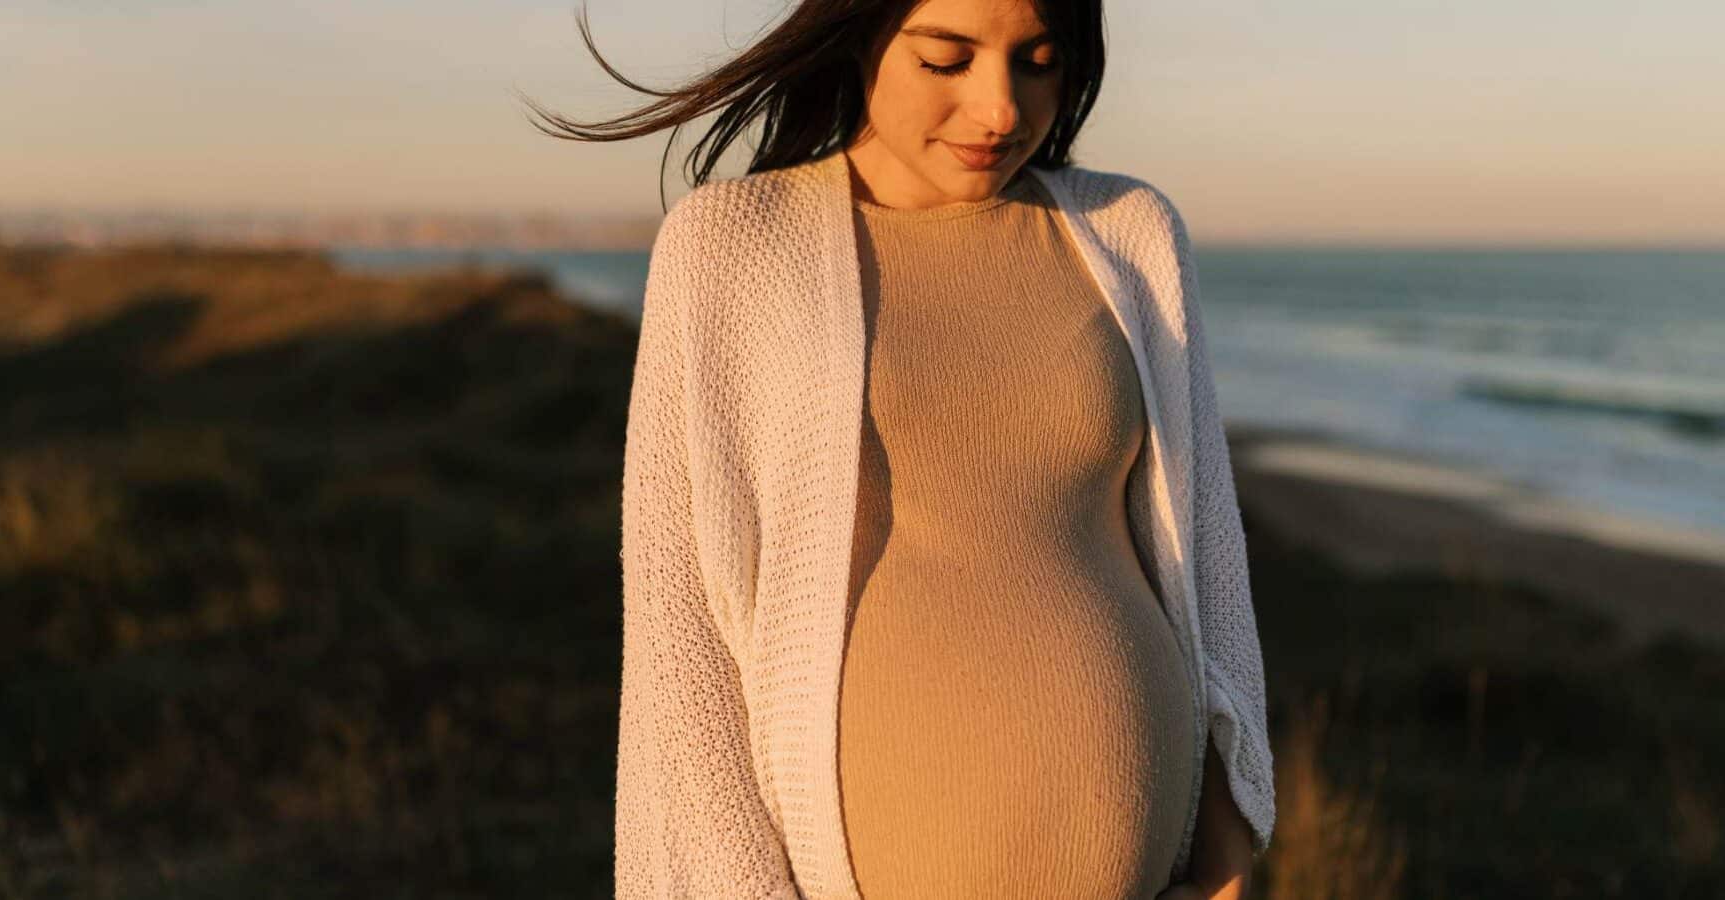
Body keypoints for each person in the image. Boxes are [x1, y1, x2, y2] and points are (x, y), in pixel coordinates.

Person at [520, 0, 1275, 897]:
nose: (1001, 108)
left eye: (1037, 61)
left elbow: (1211, 561)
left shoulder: (1129, 234)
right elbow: (683, 643)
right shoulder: (733, 249)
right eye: (947, 60)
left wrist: (1228, 860)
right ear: (860, 33)